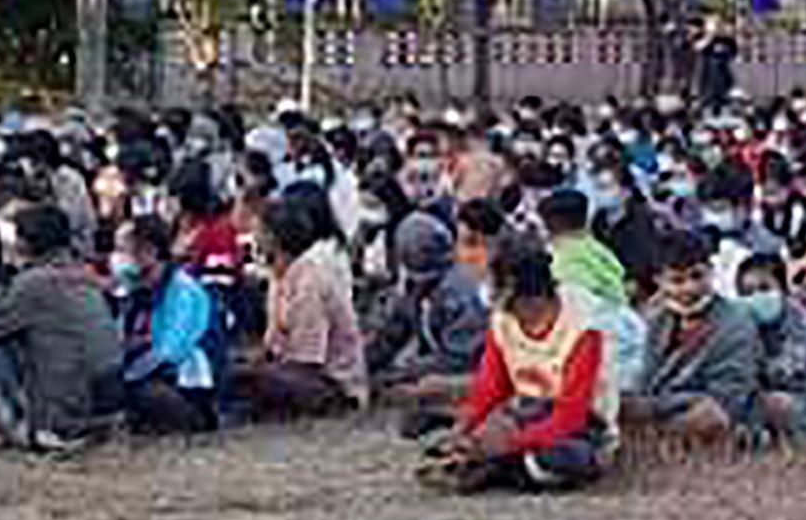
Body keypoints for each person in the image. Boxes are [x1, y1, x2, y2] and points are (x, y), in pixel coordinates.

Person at [422, 242, 617, 494]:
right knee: (491, 437)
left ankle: (495, 468)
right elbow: (490, 387)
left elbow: (571, 416)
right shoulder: (503, 320)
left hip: (584, 426)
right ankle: (492, 465)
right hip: (526, 414)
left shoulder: (583, 326)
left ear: (520, 291)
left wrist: (508, 443)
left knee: (560, 458)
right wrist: (464, 428)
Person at [0, 203, 125, 448]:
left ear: (25, 244)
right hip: (105, 405)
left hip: (68, 414)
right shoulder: (81, 272)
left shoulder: (33, 284)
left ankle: (21, 429)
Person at [240, 189, 367, 419]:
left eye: (259, 231)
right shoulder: (279, 275)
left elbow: (308, 358)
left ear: (274, 237)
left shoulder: (310, 278)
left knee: (250, 380)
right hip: (296, 369)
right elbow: (273, 344)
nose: (253, 236)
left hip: (332, 382)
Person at [628, 231, 761, 445]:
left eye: (697, 276)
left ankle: (654, 438)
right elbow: (644, 380)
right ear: (660, 282)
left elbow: (729, 396)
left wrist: (657, 404)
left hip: (712, 408)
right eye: (677, 280)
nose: (689, 288)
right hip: (661, 406)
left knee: (708, 417)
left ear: (711, 272)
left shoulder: (736, 322)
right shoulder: (654, 319)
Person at [365, 208, 487, 414]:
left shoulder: (460, 290)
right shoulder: (415, 286)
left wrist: (408, 371)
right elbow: (393, 333)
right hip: (440, 362)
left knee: (423, 387)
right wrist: (364, 364)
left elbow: (460, 358)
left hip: (472, 369)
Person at [112, 215, 221, 434]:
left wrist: (126, 371)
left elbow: (170, 353)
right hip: (150, 374)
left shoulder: (183, 290)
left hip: (187, 387)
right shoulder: (135, 289)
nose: (118, 258)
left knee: (137, 393)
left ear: (149, 251)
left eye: (124, 250)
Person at [735, 250, 806, 446]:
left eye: (764, 288)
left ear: (783, 290)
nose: (756, 297)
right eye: (747, 292)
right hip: (758, 403)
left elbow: (783, 375)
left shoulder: (803, 326)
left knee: (775, 403)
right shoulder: (740, 323)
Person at [696, 14, 742, 107]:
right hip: (710, 82)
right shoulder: (710, 40)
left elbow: (735, 55)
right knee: (714, 63)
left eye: (720, 25)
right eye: (717, 25)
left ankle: (727, 94)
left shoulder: (729, 40)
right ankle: (713, 97)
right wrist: (710, 36)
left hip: (725, 77)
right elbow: (699, 47)